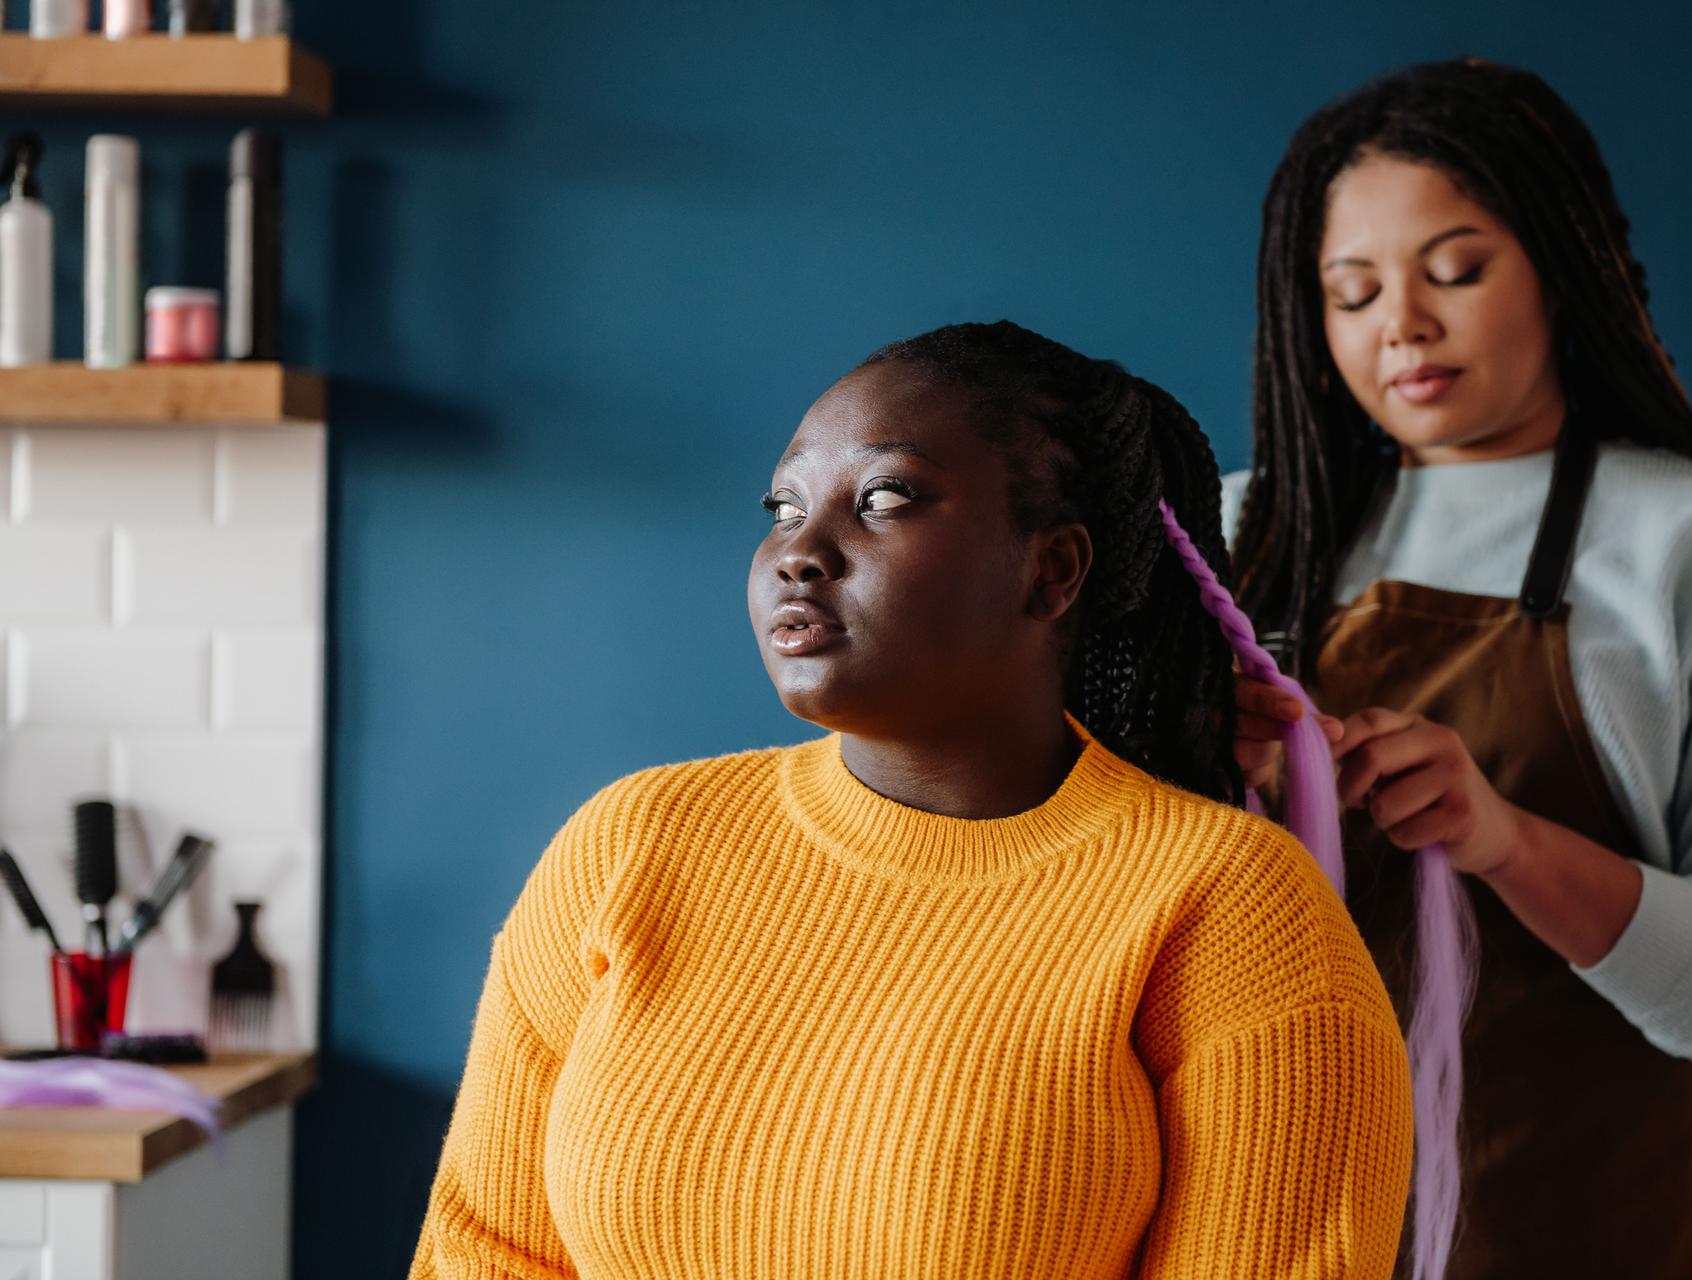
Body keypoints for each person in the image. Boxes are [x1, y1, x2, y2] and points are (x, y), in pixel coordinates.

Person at [411, 321, 1414, 1279]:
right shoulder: (628, 846)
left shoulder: (1230, 910)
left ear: (1052, 568)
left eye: (885, 497)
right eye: (783, 507)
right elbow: (485, 1248)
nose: (799, 551)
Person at [1224, 59, 1692, 1278]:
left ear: (1563, 269)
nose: (1402, 324)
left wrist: (1503, 840)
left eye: (1455, 270)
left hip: (1571, 1223)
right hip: (1270, 1226)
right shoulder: (1241, 536)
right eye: (1352, 291)